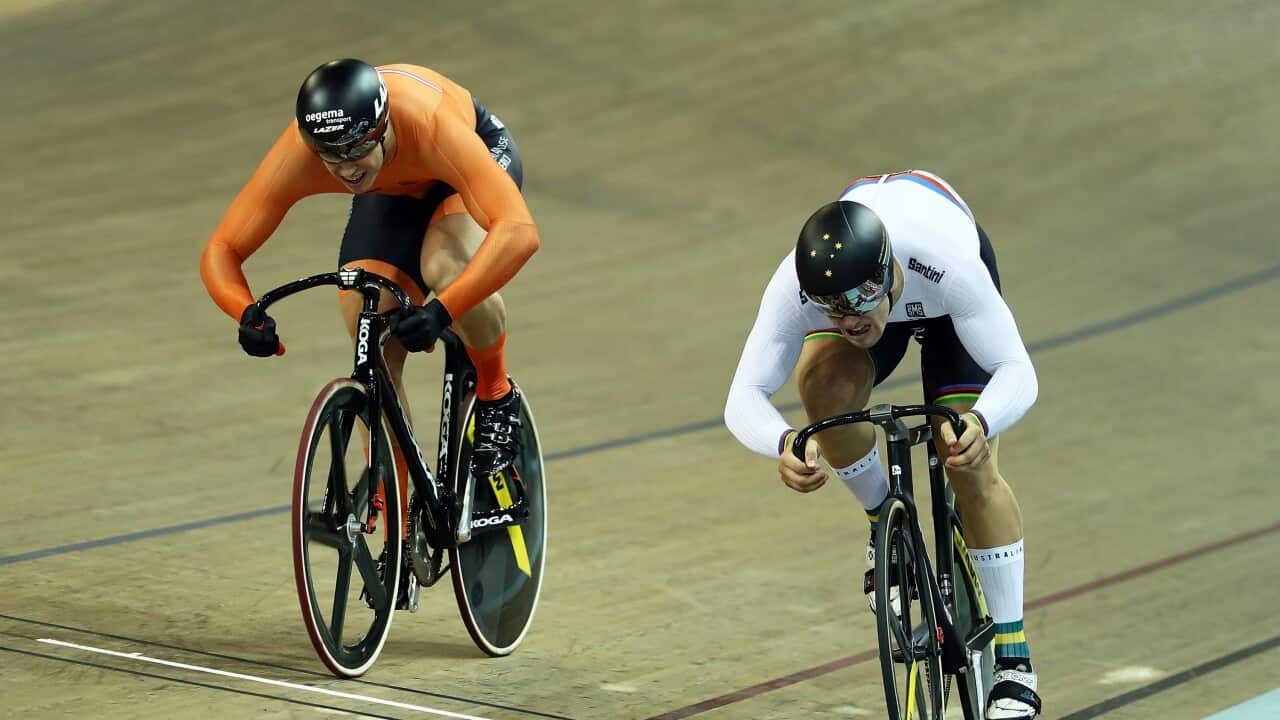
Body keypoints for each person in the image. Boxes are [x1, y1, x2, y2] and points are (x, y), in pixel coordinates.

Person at [724, 170, 1041, 718]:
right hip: (893, 299)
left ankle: (1015, 662)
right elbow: (743, 395)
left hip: (945, 305)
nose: (850, 317)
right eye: (832, 307)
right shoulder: (797, 288)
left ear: (886, 270)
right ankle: (882, 520)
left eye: (862, 298)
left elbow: (1018, 370)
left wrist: (981, 424)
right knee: (823, 387)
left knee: (967, 460)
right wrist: (783, 441)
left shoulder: (945, 261)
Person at [200, 59, 537, 493]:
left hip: (464, 162)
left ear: (382, 128)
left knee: (446, 266)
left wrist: (440, 311)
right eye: (331, 156)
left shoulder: (429, 124)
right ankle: (392, 486)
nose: (346, 168)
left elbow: (520, 232)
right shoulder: (307, 151)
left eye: (356, 148)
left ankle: (496, 393)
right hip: (392, 188)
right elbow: (222, 249)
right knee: (365, 306)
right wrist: (244, 311)